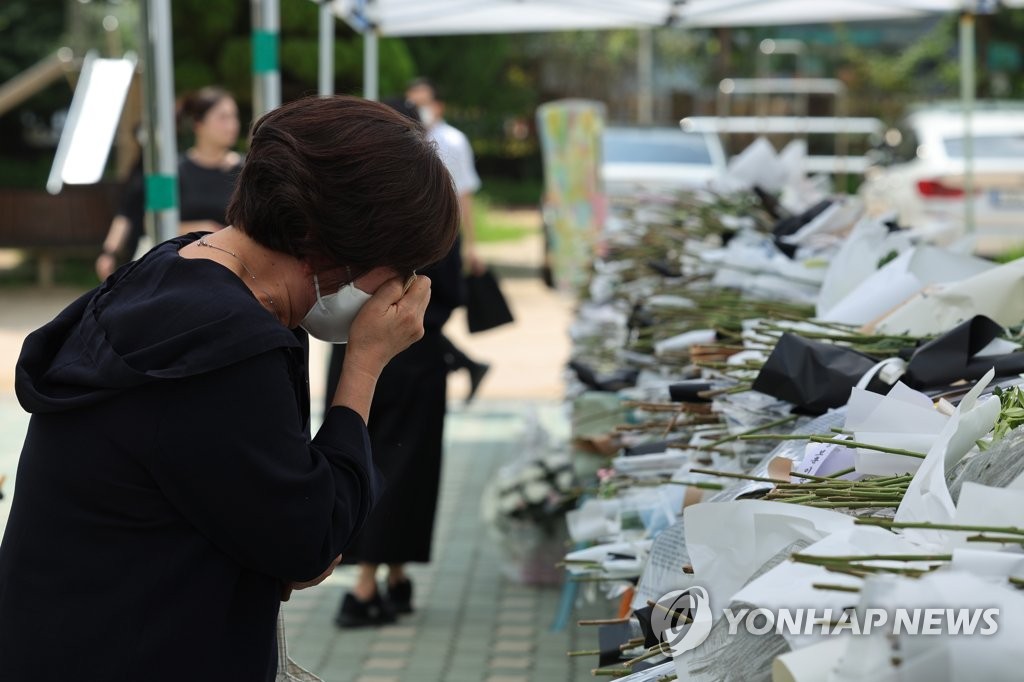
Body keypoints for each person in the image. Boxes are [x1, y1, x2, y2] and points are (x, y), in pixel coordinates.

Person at [0, 95, 459, 681]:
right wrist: (365, 362)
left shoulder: (179, 267)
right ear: (332, 245)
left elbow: (271, 522)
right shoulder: (226, 347)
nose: (404, 289)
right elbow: (311, 539)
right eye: (402, 268)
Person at [324, 96, 464, 627]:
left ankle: (384, 578)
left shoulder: (345, 203)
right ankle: (373, 583)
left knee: (360, 456)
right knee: (407, 467)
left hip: (354, 351)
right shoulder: (437, 205)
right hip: (416, 353)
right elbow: (450, 290)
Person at [94, 86, 243, 280]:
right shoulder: (171, 171)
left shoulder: (246, 170)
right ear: (199, 124)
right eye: (223, 117)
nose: (232, 125)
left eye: (234, 117)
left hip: (232, 271)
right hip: (180, 271)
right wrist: (204, 229)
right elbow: (152, 221)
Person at [405, 77, 490, 402]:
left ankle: (463, 362)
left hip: (443, 239)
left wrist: (471, 244)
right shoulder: (405, 140)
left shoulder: (452, 141)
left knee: (432, 312)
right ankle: (465, 362)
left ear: (438, 106)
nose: (419, 111)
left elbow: (463, 195)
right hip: (416, 240)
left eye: (423, 104)